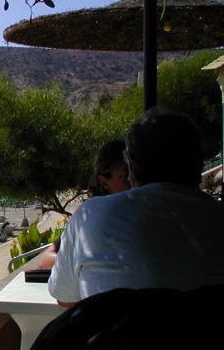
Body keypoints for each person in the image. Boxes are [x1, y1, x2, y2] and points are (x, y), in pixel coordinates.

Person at [49, 107, 224, 306]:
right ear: (198, 163)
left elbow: (64, 298)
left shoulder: (90, 215)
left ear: (131, 170)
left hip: (118, 336)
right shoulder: (216, 217)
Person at [36, 138, 130, 270]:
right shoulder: (90, 216)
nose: (132, 181)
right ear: (104, 182)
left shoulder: (149, 211)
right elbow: (45, 260)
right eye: (126, 176)